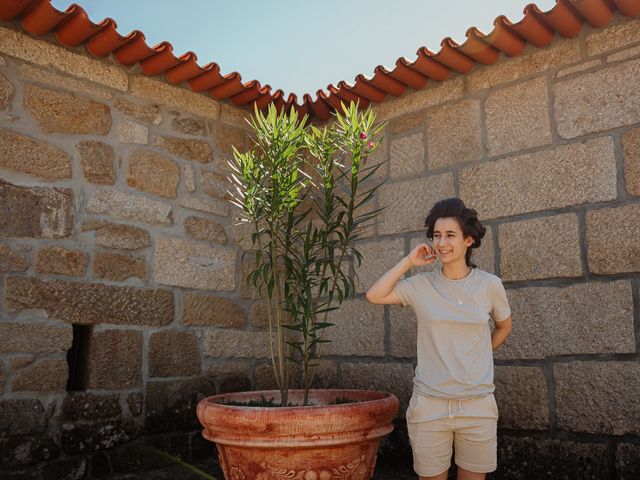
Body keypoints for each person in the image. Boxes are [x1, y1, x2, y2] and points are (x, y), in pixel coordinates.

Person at [365, 197, 512, 480]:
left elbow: (504, 326)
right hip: (430, 406)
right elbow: (375, 295)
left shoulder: (489, 285)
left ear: (468, 240)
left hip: (477, 406)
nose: (441, 242)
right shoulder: (420, 286)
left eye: (450, 235)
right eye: (436, 235)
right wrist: (409, 261)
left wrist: (479, 354)